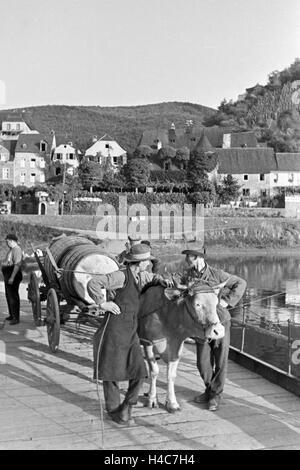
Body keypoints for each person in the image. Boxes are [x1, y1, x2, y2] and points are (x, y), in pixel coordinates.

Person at [87, 243, 172, 426]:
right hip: (114, 328)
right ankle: (113, 410)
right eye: (147, 262)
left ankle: (127, 406)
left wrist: (162, 281)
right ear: (139, 262)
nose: (148, 264)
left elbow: (152, 277)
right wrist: (102, 304)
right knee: (111, 372)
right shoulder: (121, 276)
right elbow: (94, 283)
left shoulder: (139, 275)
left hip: (131, 329)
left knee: (139, 371)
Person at [173, 247, 247, 412]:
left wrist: (227, 302)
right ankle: (210, 390)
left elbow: (241, 283)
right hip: (200, 325)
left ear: (198, 257)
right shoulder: (187, 275)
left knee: (220, 359)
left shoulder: (217, 274)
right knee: (202, 362)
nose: (187, 260)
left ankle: (215, 396)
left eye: (189, 257)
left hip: (220, 320)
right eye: (186, 257)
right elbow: (177, 286)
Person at [1, 234, 23, 325]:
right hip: (8, 275)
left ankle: (15, 317)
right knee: (8, 295)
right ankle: (11, 314)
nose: (7, 243)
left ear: (12, 241)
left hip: (13, 275)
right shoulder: (12, 250)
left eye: (7, 241)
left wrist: (12, 277)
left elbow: (17, 264)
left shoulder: (17, 249)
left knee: (13, 297)